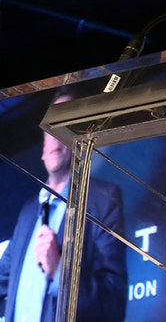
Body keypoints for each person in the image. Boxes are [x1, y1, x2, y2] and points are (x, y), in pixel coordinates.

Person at [0, 92, 127, 322]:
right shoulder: (28, 213)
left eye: (65, 126)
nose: (55, 136)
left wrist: (59, 270)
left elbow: (112, 304)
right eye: (50, 128)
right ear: (42, 149)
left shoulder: (102, 200)